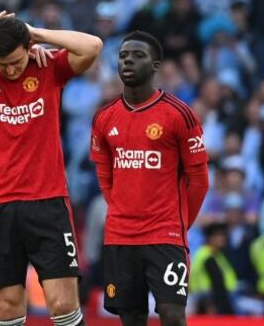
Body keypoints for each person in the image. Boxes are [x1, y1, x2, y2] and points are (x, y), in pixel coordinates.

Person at [0, 13, 103, 326]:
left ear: (28, 47)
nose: (10, 70)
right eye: (2, 63)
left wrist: (36, 33)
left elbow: (93, 46)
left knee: (63, 302)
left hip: (48, 200)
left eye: (15, 61)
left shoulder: (48, 67)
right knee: (8, 306)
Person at [89, 31, 209, 326]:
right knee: (131, 318)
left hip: (164, 235)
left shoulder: (179, 114)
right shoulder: (104, 117)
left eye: (138, 55)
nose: (128, 60)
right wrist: (120, 207)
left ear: (155, 65)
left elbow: (199, 180)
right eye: (123, 56)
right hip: (120, 235)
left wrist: (180, 222)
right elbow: (105, 174)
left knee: (172, 315)